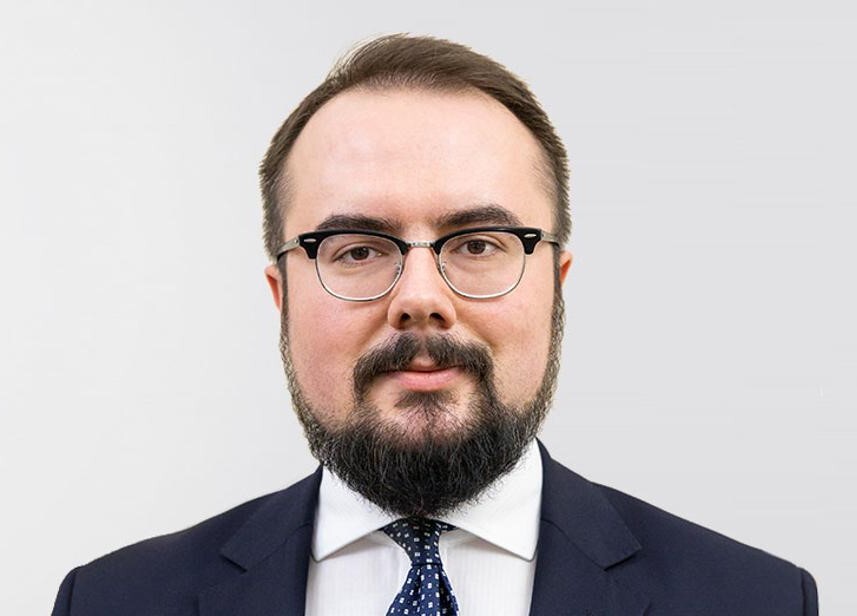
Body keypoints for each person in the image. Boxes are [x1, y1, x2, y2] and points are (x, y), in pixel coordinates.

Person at [51, 34, 817, 615]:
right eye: (356, 250)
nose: (420, 298)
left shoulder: (755, 602)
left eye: (478, 244)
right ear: (282, 297)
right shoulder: (114, 602)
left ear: (555, 287)